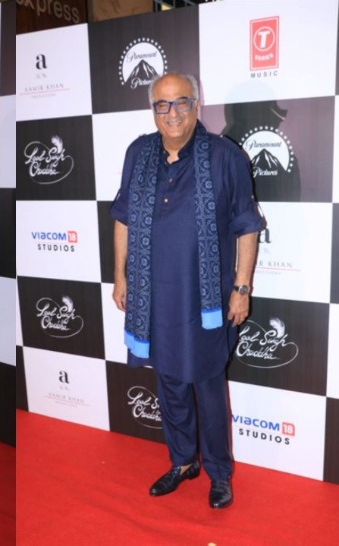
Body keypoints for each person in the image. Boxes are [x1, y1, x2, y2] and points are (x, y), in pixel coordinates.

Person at [110, 73, 264, 509]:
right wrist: (120, 277)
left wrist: (241, 287)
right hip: (152, 297)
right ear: (152, 110)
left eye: (181, 103)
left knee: (207, 384)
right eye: (162, 105)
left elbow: (247, 226)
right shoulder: (138, 153)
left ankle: (218, 471)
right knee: (169, 381)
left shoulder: (223, 156)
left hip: (206, 299)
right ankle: (182, 461)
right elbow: (121, 218)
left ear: (197, 105)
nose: (172, 113)